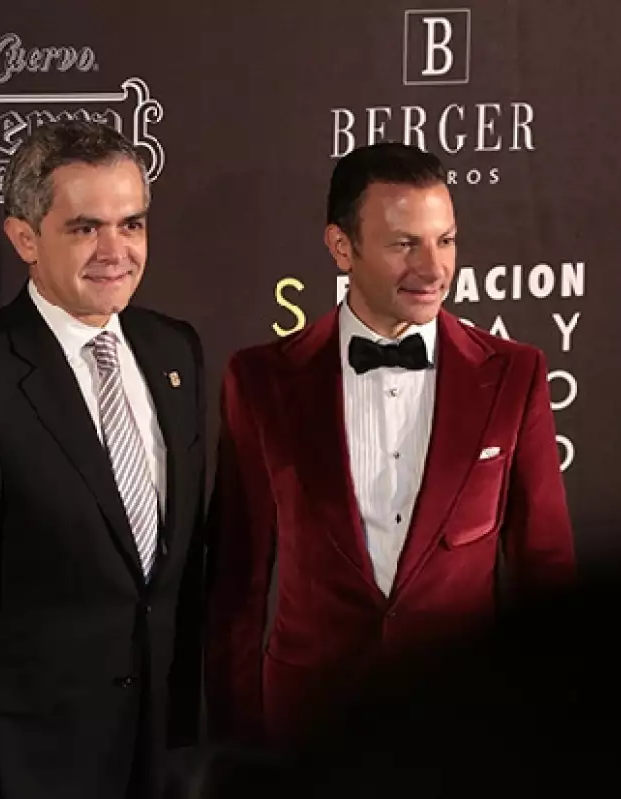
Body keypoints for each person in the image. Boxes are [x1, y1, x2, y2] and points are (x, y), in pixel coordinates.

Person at [203, 141, 577, 748]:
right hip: (310, 731)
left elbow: (547, 573)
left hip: (464, 729)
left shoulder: (514, 375)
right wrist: (238, 749)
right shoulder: (262, 381)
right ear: (341, 247)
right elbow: (237, 586)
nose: (433, 270)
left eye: (446, 240)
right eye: (405, 244)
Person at [0, 120, 207, 799]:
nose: (116, 251)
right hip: (32, 767)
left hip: (164, 758)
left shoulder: (177, 350)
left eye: (133, 224)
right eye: (86, 228)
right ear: (25, 238)